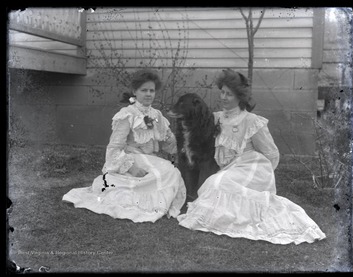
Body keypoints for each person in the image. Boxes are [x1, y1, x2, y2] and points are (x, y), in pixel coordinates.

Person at [177, 69, 326, 244]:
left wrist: (262, 179)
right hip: (228, 170)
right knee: (214, 184)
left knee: (218, 183)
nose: (223, 97)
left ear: (239, 97)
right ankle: (229, 217)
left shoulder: (252, 121)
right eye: (222, 92)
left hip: (252, 167)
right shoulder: (215, 118)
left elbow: (271, 154)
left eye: (229, 94)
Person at [63, 69, 186, 223]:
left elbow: (169, 141)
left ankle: (153, 198)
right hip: (133, 158)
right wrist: (131, 167)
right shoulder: (127, 114)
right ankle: (145, 201)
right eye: (144, 90)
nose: (148, 94)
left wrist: (178, 145)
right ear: (135, 91)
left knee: (172, 171)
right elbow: (114, 147)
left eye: (152, 90)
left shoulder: (156, 115)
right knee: (164, 172)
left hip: (150, 159)